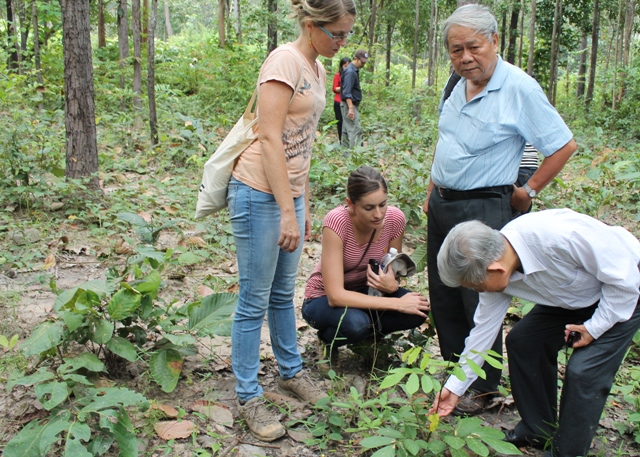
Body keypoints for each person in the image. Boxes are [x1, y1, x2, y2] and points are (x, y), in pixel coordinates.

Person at [422, 4, 578, 416]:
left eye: (473, 47)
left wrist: (529, 189)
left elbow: (563, 145)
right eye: (456, 49)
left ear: (495, 41)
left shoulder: (519, 88)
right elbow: (447, 138)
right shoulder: (455, 83)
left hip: (484, 206)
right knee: (445, 292)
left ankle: (483, 387)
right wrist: (433, 186)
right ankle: (456, 376)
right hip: (443, 203)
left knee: (479, 298)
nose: (465, 57)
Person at [227, 0, 356, 442]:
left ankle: (291, 371)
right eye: (336, 34)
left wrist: (303, 201)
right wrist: (286, 209)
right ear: (311, 24)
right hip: (257, 192)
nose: (342, 42)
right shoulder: (284, 61)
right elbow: (268, 136)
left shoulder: (317, 68)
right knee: (254, 297)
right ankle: (248, 395)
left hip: (291, 194)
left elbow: (303, 141)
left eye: (347, 34)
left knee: (283, 293)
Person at [431, 209, 640, 457]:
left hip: (625, 291)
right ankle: (538, 429)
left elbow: (625, 283)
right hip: (572, 297)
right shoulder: (496, 267)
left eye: (477, 286)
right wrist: (455, 387)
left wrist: (594, 328)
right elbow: (483, 332)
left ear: (496, 269)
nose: (478, 291)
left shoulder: (560, 238)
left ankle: (567, 452)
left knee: (584, 371)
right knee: (523, 342)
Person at [302, 166, 430, 363]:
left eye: (382, 204)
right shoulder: (337, 222)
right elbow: (335, 296)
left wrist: (393, 286)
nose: (378, 214)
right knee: (356, 324)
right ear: (351, 204)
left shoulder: (395, 219)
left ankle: (369, 341)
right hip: (323, 298)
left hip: (367, 290)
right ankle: (327, 341)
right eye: (369, 208)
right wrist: (397, 303)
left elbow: (391, 269)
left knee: (418, 308)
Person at [340, 49, 368, 148]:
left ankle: (345, 154)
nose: (363, 64)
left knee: (346, 131)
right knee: (355, 130)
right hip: (349, 105)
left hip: (348, 105)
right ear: (355, 59)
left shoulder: (352, 70)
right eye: (362, 62)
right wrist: (351, 108)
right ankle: (356, 154)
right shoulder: (350, 72)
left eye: (365, 62)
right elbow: (347, 92)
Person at [332, 57, 351, 143]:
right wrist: (345, 86)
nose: (347, 68)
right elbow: (335, 88)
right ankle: (341, 141)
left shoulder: (352, 74)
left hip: (349, 102)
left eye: (348, 66)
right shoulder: (338, 75)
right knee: (340, 122)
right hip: (338, 102)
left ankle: (349, 142)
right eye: (345, 66)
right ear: (341, 66)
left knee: (349, 123)